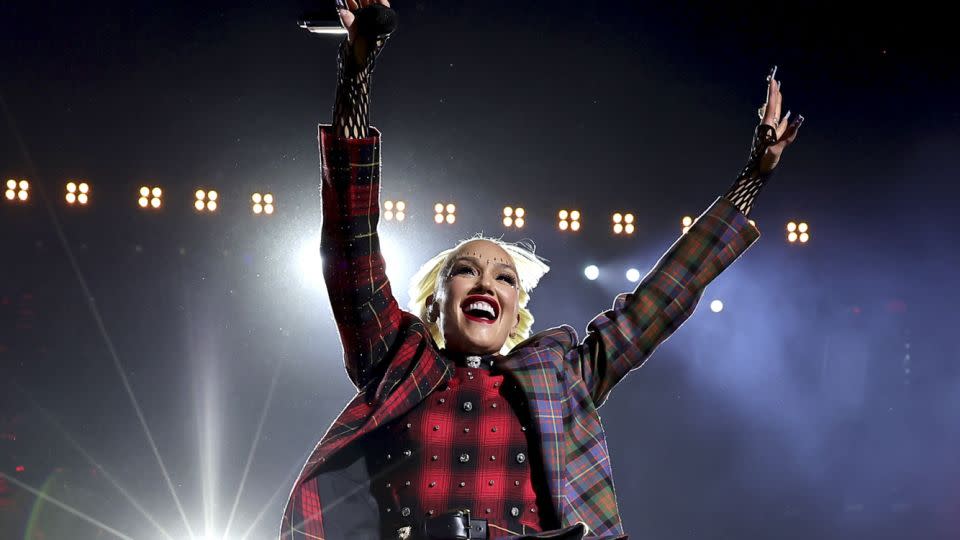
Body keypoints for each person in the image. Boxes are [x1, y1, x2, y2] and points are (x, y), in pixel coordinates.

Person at [281, 1, 804, 538]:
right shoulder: (396, 358)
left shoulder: (559, 378)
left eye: (505, 277)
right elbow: (351, 237)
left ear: (516, 316)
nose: (487, 281)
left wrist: (753, 178)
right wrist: (357, 69)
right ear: (435, 301)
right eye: (467, 270)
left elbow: (657, 304)